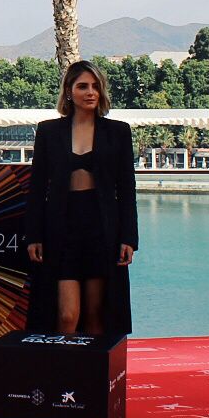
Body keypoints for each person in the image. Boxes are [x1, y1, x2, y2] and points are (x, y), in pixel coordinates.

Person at [25, 60, 137, 336]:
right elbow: (37, 187)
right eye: (83, 86)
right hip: (61, 227)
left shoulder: (118, 132)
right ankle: (63, 375)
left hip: (102, 227)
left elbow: (126, 189)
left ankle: (92, 378)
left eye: (96, 86)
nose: (90, 92)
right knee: (67, 315)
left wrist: (129, 238)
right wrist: (33, 236)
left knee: (96, 316)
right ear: (69, 91)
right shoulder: (49, 131)